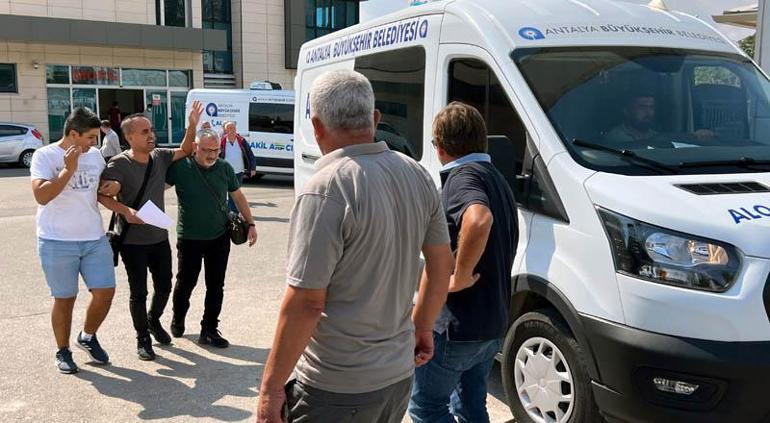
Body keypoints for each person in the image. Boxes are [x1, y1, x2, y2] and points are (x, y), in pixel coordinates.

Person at [255, 69, 454, 423]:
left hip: (336, 386)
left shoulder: (326, 188)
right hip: (397, 376)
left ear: (316, 127)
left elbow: (306, 303)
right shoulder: (417, 174)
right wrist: (422, 327)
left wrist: (271, 388)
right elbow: (441, 266)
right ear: (375, 119)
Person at [408, 102, 518, 423]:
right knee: (470, 407)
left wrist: (460, 275)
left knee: (426, 407)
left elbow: (479, 219)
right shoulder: (495, 177)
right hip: (491, 322)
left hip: (458, 327)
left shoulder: (461, 178)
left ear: (441, 147)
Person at [96, 101, 203, 361]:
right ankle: (142, 338)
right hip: (132, 242)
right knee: (139, 292)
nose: (151, 135)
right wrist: (125, 211)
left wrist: (191, 125)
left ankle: (154, 320)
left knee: (165, 285)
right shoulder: (118, 164)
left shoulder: (160, 156)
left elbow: (187, 149)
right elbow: (103, 196)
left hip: (158, 238)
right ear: (129, 136)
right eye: (144, 132)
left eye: (151, 130)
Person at [30, 107, 116, 374]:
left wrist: (113, 188)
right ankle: (63, 350)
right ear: (73, 134)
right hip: (56, 239)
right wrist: (68, 170)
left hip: (93, 237)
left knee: (105, 292)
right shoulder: (45, 156)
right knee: (65, 298)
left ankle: (87, 337)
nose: (95, 143)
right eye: (90, 137)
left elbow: (100, 190)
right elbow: (42, 197)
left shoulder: (96, 158)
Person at [166, 128, 258, 349]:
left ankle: (209, 329)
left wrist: (251, 223)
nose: (211, 155)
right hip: (189, 237)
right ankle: (178, 318)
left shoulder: (224, 168)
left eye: (216, 150)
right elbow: (157, 187)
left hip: (219, 237)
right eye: (206, 150)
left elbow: (238, 196)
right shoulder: (181, 167)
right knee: (185, 282)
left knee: (216, 285)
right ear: (196, 147)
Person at [220, 121, 257, 212]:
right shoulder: (222, 141)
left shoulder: (241, 141)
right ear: (225, 130)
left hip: (238, 172)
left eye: (233, 128)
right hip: (225, 172)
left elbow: (250, 154)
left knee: (234, 193)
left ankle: (232, 214)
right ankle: (229, 213)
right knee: (224, 193)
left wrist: (253, 168)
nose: (232, 130)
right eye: (230, 128)